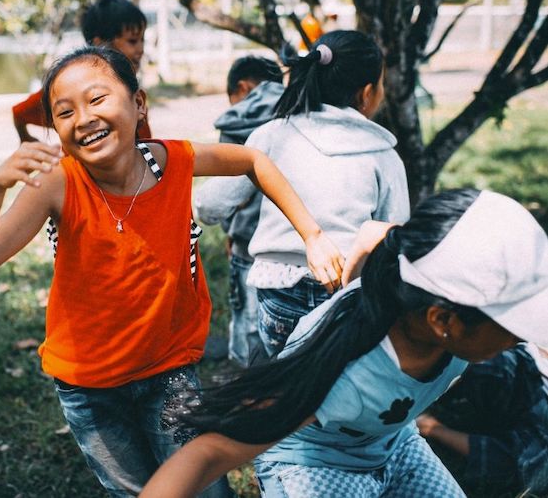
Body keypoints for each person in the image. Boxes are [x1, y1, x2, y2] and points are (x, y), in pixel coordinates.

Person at [0, 46, 343, 497]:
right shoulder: (58, 183)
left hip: (167, 367)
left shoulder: (173, 161)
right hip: (89, 387)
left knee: (203, 486)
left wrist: (312, 235)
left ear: (138, 104)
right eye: (64, 112)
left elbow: (254, 161)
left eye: (97, 99)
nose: (83, 119)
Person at [141, 188, 548, 498]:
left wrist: (351, 285)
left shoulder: (410, 261)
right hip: (314, 464)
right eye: (513, 321)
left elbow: (378, 233)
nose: (522, 335)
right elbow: (208, 452)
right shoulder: (341, 374)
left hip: (392, 442)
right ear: (443, 320)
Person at [194, 30, 410, 360]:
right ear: (367, 93)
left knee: (283, 383)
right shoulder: (383, 154)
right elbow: (395, 233)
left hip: (277, 292)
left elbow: (209, 205)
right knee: (329, 386)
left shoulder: (271, 135)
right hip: (345, 295)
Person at [195, 56, 284, 367]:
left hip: (247, 240)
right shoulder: (297, 112)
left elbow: (222, 196)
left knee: (246, 323)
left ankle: (240, 376)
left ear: (242, 87)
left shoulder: (238, 121)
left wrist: (230, 230)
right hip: (292, 246)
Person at [11, 0, 151, 144]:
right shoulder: (70, 87)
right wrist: (26, 138)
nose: (141, 49)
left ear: (138, 101)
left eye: (142, 40)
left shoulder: (130, 89)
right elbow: (19, 112)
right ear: (101, 45)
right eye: (132, 41)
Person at [416, 342, 548, 495]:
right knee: (488, 359)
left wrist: (434, 429)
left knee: (525, 461)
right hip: (529, 366)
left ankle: (430, 426)